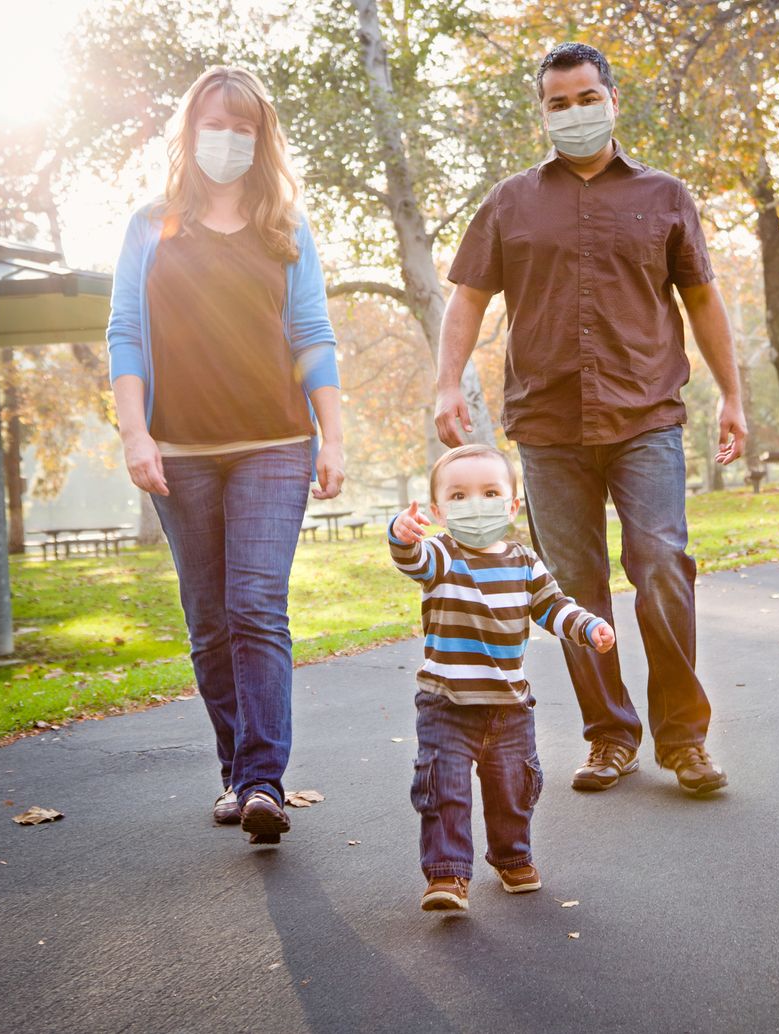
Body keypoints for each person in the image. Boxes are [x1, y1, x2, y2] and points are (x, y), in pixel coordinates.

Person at [435, 43, 746, 796]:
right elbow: (469, 297)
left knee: (662, 568)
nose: (571, 113)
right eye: (556, 103)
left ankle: (685, 741)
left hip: (646, 416)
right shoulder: (511, 201)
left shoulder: (666, 195)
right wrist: (448, 382)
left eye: (584, 98)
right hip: (547, 426)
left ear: (611, 100)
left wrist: (733, 396)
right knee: (574, 589)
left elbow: (702, 299)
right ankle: (609, 737)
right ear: (542, 111)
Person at [107, 66, 344, 845]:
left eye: (245, 129)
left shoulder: (286, 228)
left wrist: (332, 435)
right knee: (209, 620)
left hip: (275, 443)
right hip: (178, 450)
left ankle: (263, 780)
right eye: (216, 124)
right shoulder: (150, 225)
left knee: (253, 605)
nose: (229, 140)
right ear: (189, 130)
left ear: (262, 138)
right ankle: (237, 774)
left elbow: (311, 334)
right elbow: (126, 337)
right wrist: (135, 433)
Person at [388, 444, 615, 911]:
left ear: (512, 504)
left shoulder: (523, 562)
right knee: (443, 789)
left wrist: (588, 626)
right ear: (438, 510)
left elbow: (552, 606)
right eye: (459, 495)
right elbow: (412, 560)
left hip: (509, 706)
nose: (476, 504)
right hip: (446, 704)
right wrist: (401, 535)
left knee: (513, 788)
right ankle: (447, 875)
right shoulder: (443, 555)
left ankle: (512, 856)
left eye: (490, 492)